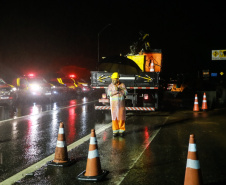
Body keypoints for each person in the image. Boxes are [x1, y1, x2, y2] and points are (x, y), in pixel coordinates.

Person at [107, 72, 128, 137]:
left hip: (121, 105)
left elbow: (126, 93)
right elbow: (109, 93)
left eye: (115, 79)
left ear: (118, 79)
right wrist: (115, 91)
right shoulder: (110, 86)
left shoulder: (122, 85)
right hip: (113, 105)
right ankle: (115, 131)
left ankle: (121, 130)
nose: (113, 80)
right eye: (112, 79)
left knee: (121, 117)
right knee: (114, 118)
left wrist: (120, 90)